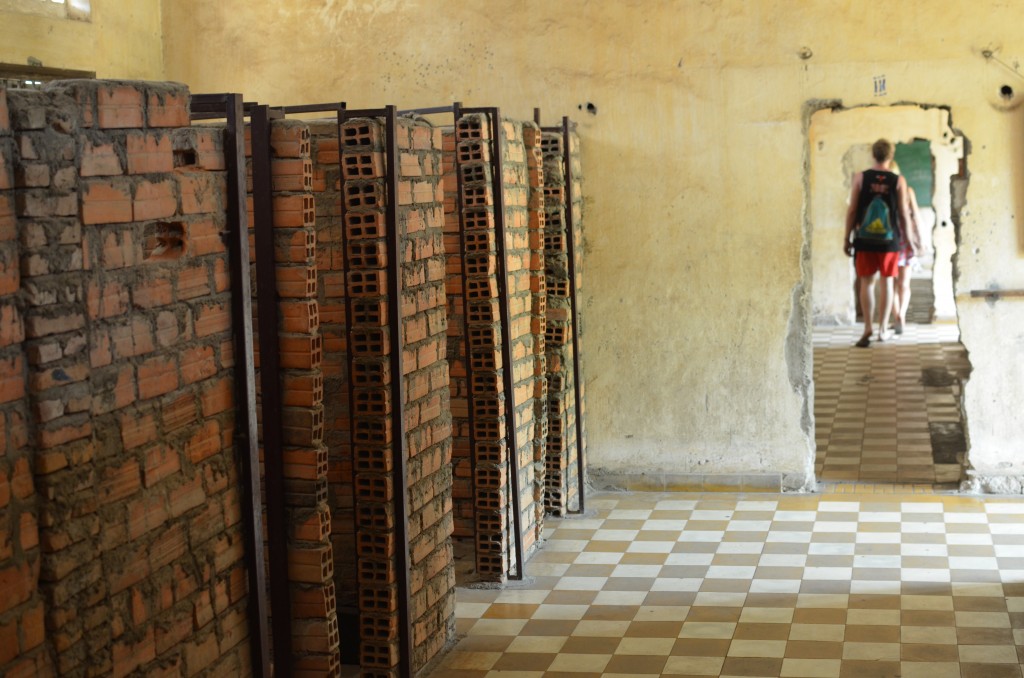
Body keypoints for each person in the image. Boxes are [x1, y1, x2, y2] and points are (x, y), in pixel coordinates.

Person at [843, 139, 914, 348]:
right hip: (890, 241)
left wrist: (847, 237)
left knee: (866, 283)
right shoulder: (898, 180)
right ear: (890, 156)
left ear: (873, 155)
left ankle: (867, 329)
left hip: (864, 240)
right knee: (887, 282)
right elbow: (903, 213)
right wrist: (908, 240)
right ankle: (883, 330)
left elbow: (852, 210)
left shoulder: (860, 178)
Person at [889, 182, 922, 334]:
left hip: (896, 240)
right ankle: (900, 316)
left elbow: (915, 214)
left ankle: (898, 316)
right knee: (902, 284)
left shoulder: (889, 191)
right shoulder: (908, 190)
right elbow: (915, 214)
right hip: (902, 241)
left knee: (895, 284)